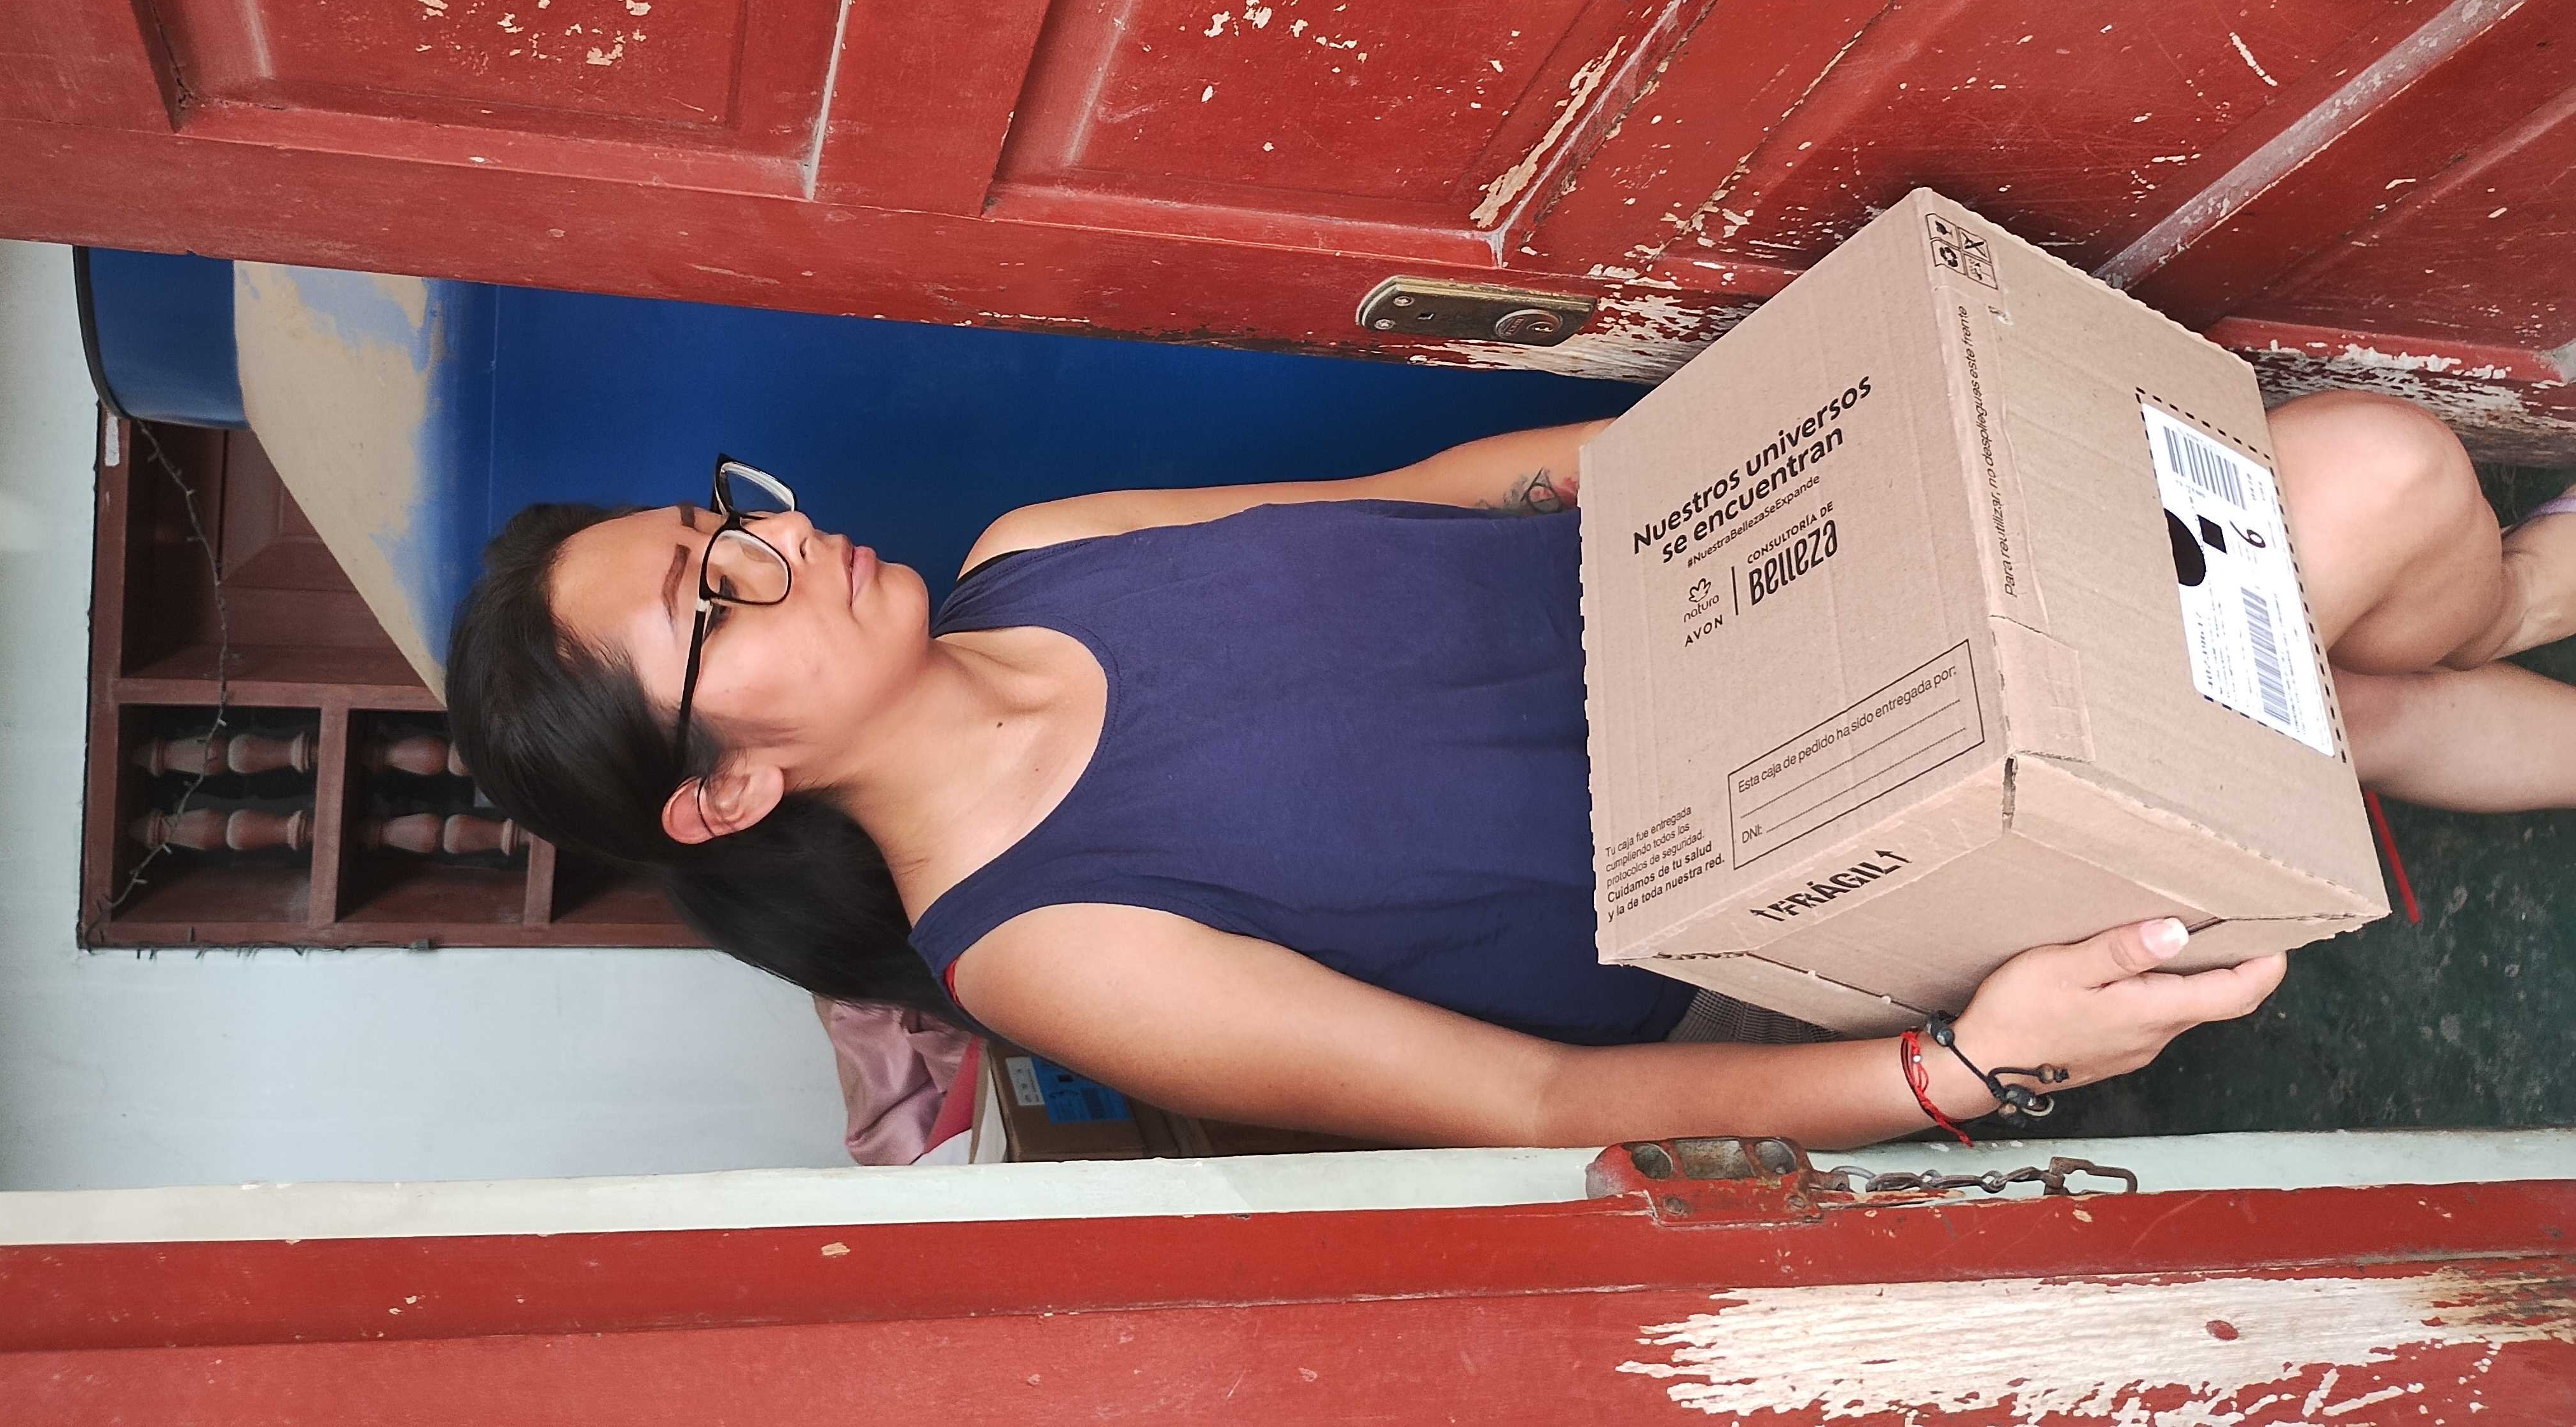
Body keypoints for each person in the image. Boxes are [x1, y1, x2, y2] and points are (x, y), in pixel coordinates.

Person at [446, 390, 2576, 1149]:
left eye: (723, 515)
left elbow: (1452, 493)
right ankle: (2521, 581)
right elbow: (1542, 1102)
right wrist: (1966, 1070)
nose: (781, 539)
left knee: (2340, 692)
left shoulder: (1040, 549)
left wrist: (1813, 435)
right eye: (715, 594)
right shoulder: (1033, 946)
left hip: (1807, 614)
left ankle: (2511, 605)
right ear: (718, 794)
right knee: (2371, 492)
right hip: (1821, 868)